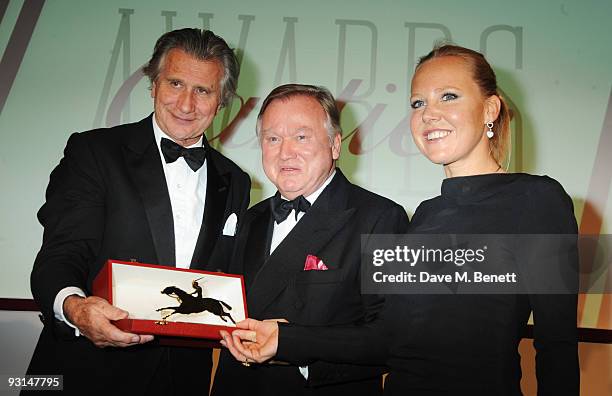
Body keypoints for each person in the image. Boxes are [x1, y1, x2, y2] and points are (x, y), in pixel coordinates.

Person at [221, 45, 579, 395]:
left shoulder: (538, 199)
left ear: (490, 109)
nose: (429, 114)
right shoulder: (424, 216)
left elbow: (557, 346)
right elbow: (389, 337)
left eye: (449, 96)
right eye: (418, 103)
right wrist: (289, 340)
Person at [26, 28, 251, 395]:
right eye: (175, 83)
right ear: (153, 85)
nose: (186, 104)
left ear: (222, 100)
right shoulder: (95, 152)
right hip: (84, 371)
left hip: (182, 378)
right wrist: (75, 308)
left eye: (203, 91)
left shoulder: (235, 180)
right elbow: (61, 252)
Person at [211, 84, 409, 396]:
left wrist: (291, 344)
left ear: (334, 145)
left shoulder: (380, 218)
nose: (285, 151)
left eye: (301, 137)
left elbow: (391, 339)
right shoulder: (249, 219)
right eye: (273, 139)